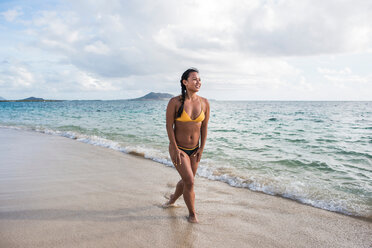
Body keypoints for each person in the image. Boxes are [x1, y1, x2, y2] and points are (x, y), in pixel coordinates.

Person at [164, 68, 210, 223]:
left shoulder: (204, 103)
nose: (198, 82)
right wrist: (175, 148)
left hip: (194, 150)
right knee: (190, 181)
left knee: (186, 181)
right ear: (185, 82)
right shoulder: (175, 102)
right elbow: (169, 126)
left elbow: (204, 127)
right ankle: (192, 214)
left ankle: (172, 199)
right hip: (178, 149)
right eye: (194, 79)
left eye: (199, 79)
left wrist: (201, 149)